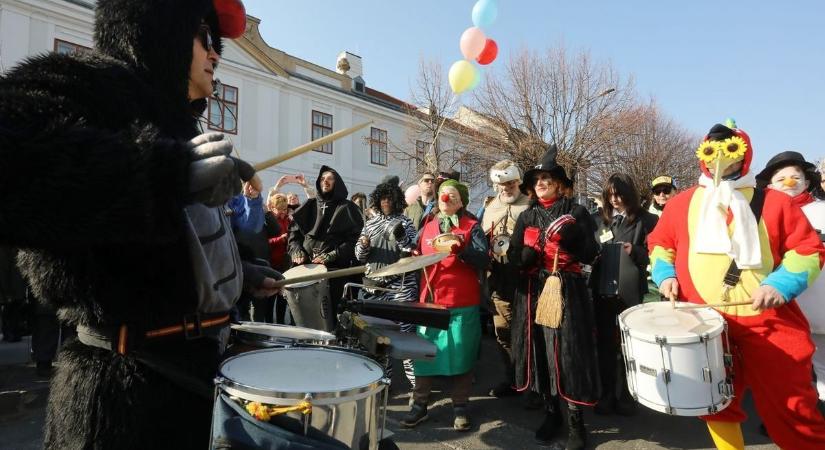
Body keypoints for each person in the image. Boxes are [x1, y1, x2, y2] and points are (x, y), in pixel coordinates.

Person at [0, 1, 286, 448]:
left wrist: (238, 275)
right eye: (205, 37)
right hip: (124, 391)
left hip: (195, 379)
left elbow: (175, 248)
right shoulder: (92, 85)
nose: (215, 54)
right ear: (161, 31)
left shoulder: (181, 124)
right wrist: (163, 173)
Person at [648, 123, 825, 450]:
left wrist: (781, 284)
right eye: (711, 151)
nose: (718, 160)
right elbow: (661, 245)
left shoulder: (775, 203)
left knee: (792, 405)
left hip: (768, 321)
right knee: (715, 402)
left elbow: (808, 250)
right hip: (704, 323)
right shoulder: (681, 203)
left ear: (744, 154)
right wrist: (665, 274)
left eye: (728, 151)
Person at [507, 145, 600, 449]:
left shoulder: (577, 212)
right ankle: (551, 414)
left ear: (560, 184)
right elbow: (512, 255)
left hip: (566, 291)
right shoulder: (526, 216)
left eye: (547, 178)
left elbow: (592, 253)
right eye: (537, 180)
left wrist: (573, 240)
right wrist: (521, 256)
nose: (541, 183)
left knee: (566, 354)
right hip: (533, 293)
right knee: (539, 354)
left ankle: (576, 422)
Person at [401, 179, 488, 432]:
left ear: (461, 201)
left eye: (451, 195)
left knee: (462, 353)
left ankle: (460, 406)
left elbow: (484, 260)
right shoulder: (427, 225)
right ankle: (420, 405)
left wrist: (462, 251)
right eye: (442, 195)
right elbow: (415, 252)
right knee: (425, 354)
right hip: (430, 300)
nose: (445, 199)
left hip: (462, 301)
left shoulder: (472, 226)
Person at [756, 151, 825, 403]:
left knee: (822, 362)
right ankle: (788, 409)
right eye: (781, 178)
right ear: (770, 185)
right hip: (779, 304)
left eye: (796, 177)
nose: (789, 182)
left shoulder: (821, 211)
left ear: (807, 183)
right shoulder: (759, 215)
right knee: (785, 361)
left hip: (819, 300)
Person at [589, 173, 658, 416]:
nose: (615, 200)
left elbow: (658, 252)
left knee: (630, 344)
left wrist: (635, 251)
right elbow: (586, 248)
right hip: (602, 290)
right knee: (606, 344)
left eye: (620, 195)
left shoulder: (647, 220)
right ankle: (607, 394)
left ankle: (629, 394)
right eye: (611, 195)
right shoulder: (597, 220)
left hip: (631, 291)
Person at [355, 176, 418, 386]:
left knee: (406, 338)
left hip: (401, 287)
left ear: (397, 200)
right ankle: (383, 382)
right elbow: (359, 256)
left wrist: (400, 236)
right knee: (379, 339)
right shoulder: (370, 224)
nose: (386, 202)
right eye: (382, 199)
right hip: (375, 288)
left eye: (390, 199)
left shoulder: (406, 221)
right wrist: (363, 244)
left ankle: (417, 389)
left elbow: (411, 248)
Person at [480, 160, 531, 398]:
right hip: (498, 280)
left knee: (528, 334)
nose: (505, 188)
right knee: (503, 333)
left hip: (526, 280)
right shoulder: (490, 207)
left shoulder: (530, 205)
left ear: (518, 182)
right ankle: (512, 379)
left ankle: (532, 384)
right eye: (501, 184)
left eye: (510, 183)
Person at [288, 165, 364, 317]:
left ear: (337, 183)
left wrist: (334, 254)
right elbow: (294, 235)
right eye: (322, 179)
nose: (325, 181)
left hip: (333, 273)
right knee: (304, 317)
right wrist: (297, 250)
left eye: (330, 179)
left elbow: (355, 239)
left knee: (330, 316)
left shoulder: (347, 208)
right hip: (306, 270)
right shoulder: (309, 205)